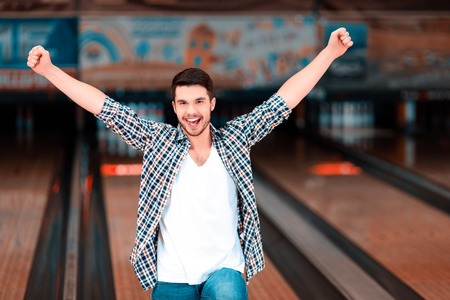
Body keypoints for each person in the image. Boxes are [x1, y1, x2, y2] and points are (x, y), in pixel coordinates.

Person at [27, 27, 352, 299]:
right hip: (171, 277)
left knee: (227, 292)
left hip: (224, 272)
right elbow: (105, 108)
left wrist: (329, 53)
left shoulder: (235, 138)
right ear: (174, 106)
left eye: (198, 101)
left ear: (211, 103)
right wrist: (49, 71)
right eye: (183, 103)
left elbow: (283, 101)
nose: (191, 111)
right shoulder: (158, 140)